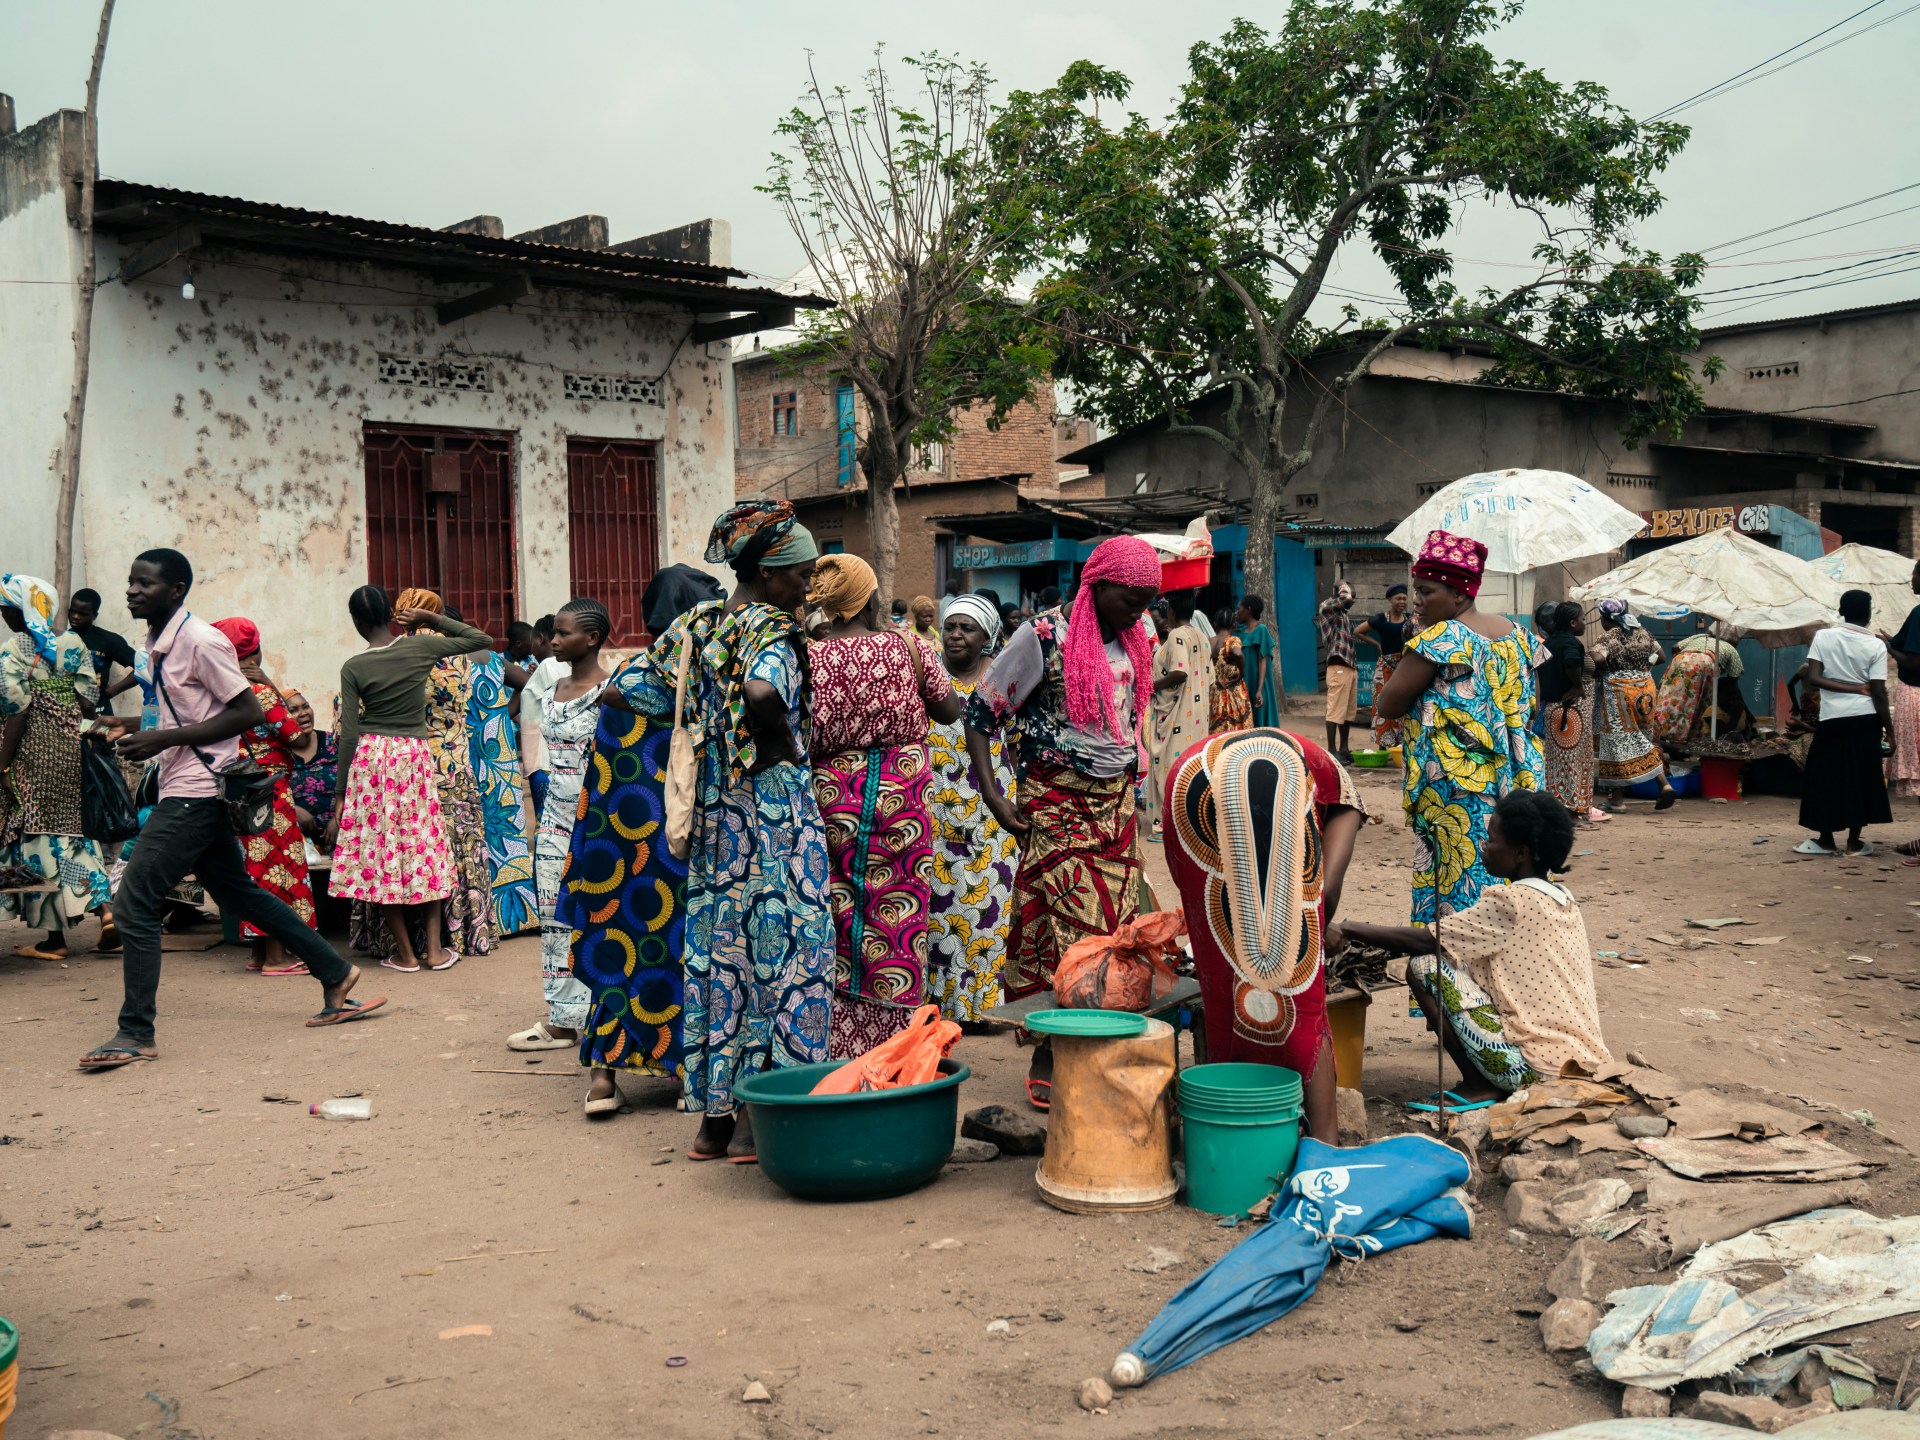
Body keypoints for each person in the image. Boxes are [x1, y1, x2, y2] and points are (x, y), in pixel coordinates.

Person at [76, 550, 384, 1069]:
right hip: (188, 782)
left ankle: (134, 1033)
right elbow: (188, 711)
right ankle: (335, 974)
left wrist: (163, 738)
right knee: (240, 892)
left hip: (198, 789)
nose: (131, 590)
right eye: (130, 581)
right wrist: (131, 730)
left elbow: (245, 710)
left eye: (144, 584)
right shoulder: (156, 643)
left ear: (176, 590)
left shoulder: (200, 640)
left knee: (134, 903)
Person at [601, 500, 834, 1160]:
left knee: (722, 961)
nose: (808, 587)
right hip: (776, 818)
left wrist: (701, 730)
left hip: (715, 822)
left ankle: (714, 1125)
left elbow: (622, 690)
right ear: (767, 572)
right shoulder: (772, 633)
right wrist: (783, 747)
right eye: (802, 574)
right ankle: (768, 1121)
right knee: (787, 959)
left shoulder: (697, 626)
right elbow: (763, 694)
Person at [965, 534, 1160, 1108]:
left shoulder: (1138, 636)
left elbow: (1130, 717)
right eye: (1131, 598)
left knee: (1111, 927)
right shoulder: (1043, 636)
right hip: (1054, 801)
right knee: (1079, 924)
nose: (1140, 611)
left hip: (1116, 804)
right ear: (1097, 585)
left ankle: (1083, 1045)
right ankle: (1058, 1049)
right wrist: (996, 797)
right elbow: (981, 712)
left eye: (1148, 600)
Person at [557, 571, 715, 1117]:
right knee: (675, 950)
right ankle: (678, 1068)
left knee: (616, 946)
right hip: (678, 848)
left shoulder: (627, 677)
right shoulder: (703, 681)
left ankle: (603, 1078)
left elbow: (599, 777)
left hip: (614, 850)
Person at [1331, 791, 1609, 1102]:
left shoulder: (1511, 902)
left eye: (1491, 839)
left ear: (1521, 853)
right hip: (1581, 1065)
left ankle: (1478, 1083)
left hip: (1536, 1070)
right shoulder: (1562, 899)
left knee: (1424, 966)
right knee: (1458, 963)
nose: (1483, 847)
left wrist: (1347, 927)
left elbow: (1427, 941)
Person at [1165, 728, 1365, 1142]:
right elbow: (1326, 888)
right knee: (1303, 994)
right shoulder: (1340, 790)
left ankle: (1225, 1120)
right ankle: (1324, 1142)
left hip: (1188, 778)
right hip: (1276, 774)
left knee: (1222, 978)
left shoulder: (1314, 765)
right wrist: (1315, 924)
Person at [808, 554, 963, 1055]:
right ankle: (894, 1046)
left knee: (837, 910)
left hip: (832, 799)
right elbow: (949, 710)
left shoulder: (807, 658)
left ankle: (838, 1041)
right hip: (904, 799)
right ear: (872, 598)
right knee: (900, 918)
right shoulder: (910, 646)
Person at [1371, 530, 1543, 928]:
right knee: (1509, 894)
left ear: (1460, 595)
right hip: (1516, 783)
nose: (1417, 600)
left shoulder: (1442, 638)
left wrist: (1412, 650)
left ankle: (1452, 990)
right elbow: (1529, 705)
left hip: (1458, 790)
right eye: (1416, 590)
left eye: (1427, 591)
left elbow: (1388, 704)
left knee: (1456, 902)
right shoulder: (1518, 636)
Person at [327, 584, 493, 974]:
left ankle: (404, 954)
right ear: (391, 614)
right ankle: (435, 951)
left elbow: (349, 733)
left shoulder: (353, 666)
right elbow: (479, 639)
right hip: (412, 757)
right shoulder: (419, 648)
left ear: (354, 621)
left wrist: (340, 791)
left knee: (380, 854)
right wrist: (431, 619)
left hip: (370, 760)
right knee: (425, 848)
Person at [505, 602, 615, 1108]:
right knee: (554, 918)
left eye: (563, 634)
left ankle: (604, 1029)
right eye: (553, 633)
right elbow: (519, 715)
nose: (552, 640)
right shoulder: (550, 689)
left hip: (597, 821)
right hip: (553, 821)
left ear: (591, 640)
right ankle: (565, 1019)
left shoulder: (612, 693)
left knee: (600, 923)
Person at [0, 574, 113, 959]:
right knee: (72, 836)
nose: (2, 613)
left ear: (21, 610)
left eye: (7, 607)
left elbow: (16, 710)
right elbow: (88, 700)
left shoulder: (13, 649)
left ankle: (55, 939)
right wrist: (60, 696)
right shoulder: (73, 643)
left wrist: (2, 766)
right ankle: (105, 910)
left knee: (39, 839)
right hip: (70, 750)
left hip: (31, 755)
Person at [926, 592, 1020, 1025]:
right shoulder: (928, 680)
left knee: (983, 915)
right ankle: (939, 1005)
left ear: (987, 636)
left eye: (968, 628)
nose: (956, 635)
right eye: (951, 626)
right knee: (938, 914)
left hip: (989, 818)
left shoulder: (1001, 682)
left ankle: (979, 1008)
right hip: (934, 817)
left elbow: (1017, 749)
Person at [210, 617, 317, 977]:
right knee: (279, 869)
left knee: (254, 869)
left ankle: (258, 952)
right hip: (270, 790)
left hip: (238, 790)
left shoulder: (216, 692)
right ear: (255, 651)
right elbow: (298, 740)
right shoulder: (260, 693)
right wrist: (271, 684)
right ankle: (277, 957)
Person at [1797, 590, 1894, 857]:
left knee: (1824, 777)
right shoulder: (1875, 644)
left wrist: (1848, 689)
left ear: (1841, 611)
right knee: (1861, 778)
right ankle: (1853, 843)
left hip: (1833, 719)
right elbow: (1878, 692)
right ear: (1869, 614)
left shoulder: (1824, 637)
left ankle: (1825, 840)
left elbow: (1814, 678)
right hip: (1865, 720)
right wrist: (1891, 731)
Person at [467, 642, 538, 937]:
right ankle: (517, 920)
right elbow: (529, 681)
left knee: (473, 835)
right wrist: (501, 717)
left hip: (463, 753)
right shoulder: (490, 659)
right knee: (506, 833)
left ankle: (482, 918)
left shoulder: (441, 664)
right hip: (500, 755)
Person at [1590, 599, 1677, 811]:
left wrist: (1590, 657)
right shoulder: (1643, 632)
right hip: (1645, 691)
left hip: (1620, 693)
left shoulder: (1609, 636)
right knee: (1639, 738)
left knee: (1620, 742)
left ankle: (1661, 786)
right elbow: (1662, 656)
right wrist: (1645, 665)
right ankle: (1617, 797)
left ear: (1606, 618)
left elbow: (1599, 658)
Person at [1146, 589, 1211, 840]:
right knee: (1190, 767)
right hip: (1197, 713)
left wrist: (1150, 686)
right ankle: (1188, 820)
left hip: (1175, 715)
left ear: (1171, 612)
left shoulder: (1176, 637)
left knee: (1168, 766)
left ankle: (1167, 825)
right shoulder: (1202, 636)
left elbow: (1179, 671)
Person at [1534, 602, 1603, 826]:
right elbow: (1572, 662)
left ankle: (1557, 812)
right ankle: (1571, 814)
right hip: (1570, 712)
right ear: (1573, 623)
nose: (1585, 623)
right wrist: (1577, 686)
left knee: (1556, 764)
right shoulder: (1571, 643)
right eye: (1583, 619)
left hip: (1552, 709)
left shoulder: (1549, 643)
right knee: (1573, 763)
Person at [1652, 634, 1744, 749]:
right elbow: (1734, 679)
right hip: (1705, 663)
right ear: (1735, 643)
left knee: (1670, 699)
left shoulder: (1700, 636)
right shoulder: (1731, 649)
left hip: (1681, 659)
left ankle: (1660, 734)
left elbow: (1675, 646)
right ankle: (1692, 738)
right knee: (1699, 703)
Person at [1353, 584, 1413, 751]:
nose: (1402, 601)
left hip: (1404, 667)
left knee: (1403, 704)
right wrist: (1377, 644)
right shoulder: (1381, 619)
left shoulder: (1410, 620)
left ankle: (1402, 746)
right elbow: (1358, 631)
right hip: (1385, 667)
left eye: (1404, 598)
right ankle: (1382, 746)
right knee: (1382, 703)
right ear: (1389, 600)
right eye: (1398, 598)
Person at [1884, 561, 1920, 805]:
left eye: (1914, 575)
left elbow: (1914, 662)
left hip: (1915, 693)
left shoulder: (1919, 612)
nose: (1911, 580)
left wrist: (1889, 649)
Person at [282, 689, 337, 844]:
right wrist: (291, 810)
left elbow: (356, 785)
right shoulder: (276, 752)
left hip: (341, 835)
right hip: (293, 838)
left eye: (305, 706)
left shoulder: (334, 742)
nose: (303, 713)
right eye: (293, 710)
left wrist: (340, 818)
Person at [67, 586, 138, 706]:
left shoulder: (108, 640)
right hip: (66, 711)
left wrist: (112, 691)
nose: (75, 616)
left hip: (98, 711)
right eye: (72, 611)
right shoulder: (62, 638)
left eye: (82, 614)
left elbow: (144, 668)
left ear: (94, 616)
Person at [1317, 581, 1359, 760]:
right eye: (1350, 596)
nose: (1351, 601)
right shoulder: (1327, 607)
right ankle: (1331, 749)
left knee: (1348, 712)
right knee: (1335, 710)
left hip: (1349, 666)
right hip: (1338, 666)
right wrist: (1344, 586)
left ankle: (1344, 748)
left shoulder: (1342, 614)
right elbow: (1344, 597)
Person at [1208, 607, 1253, 734]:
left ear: (1215, 623)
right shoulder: (1233, 640)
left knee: (1217, 730)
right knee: (1238, 731)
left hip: (1215, 692)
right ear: (1233, 624)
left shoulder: (1209, 641)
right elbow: (1238, 654)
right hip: (1233, 692)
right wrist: (1242, 673)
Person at [1238, 595, 1280, 729]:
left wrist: (1259, 690)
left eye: (1239, 609)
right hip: (1246, 684)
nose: (1237, 612)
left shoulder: (1261, 630)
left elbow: (1263, 662)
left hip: (1258, 685)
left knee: (1260, 723)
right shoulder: (1240, 633)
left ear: (1248, 610)